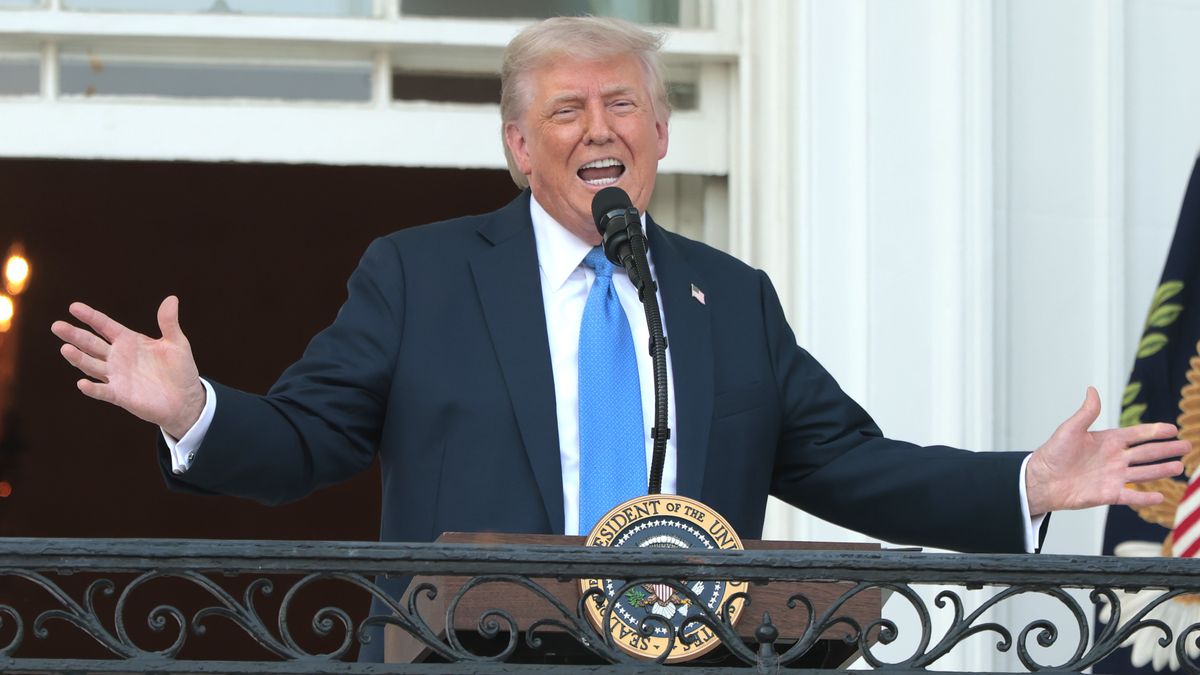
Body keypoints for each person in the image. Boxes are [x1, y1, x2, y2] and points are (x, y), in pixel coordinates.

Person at [51, 16, 1185, 661]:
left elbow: (850, 466)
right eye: (567, 111)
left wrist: (1026, 484)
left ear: (661, 133)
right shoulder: (422, 275)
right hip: (471, 661)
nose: (601, 128)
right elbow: (308, 441)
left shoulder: (727, 298)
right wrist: (195, 413)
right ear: (519, 148)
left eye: (623, 106)